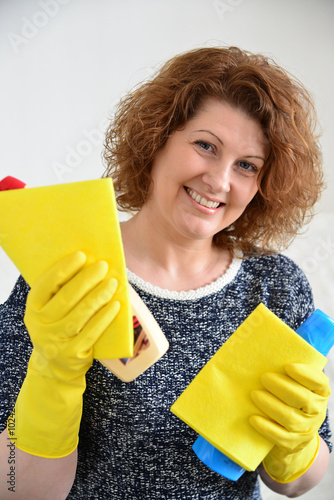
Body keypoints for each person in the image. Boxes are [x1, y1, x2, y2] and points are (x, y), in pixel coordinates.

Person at [0, 46, 332, 499]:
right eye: (205, 146)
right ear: (157, 139)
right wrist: (53, 371)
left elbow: (298, 484)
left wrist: (297, 444)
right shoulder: (70, 275)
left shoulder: (275, 285)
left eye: (247, 166)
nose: (219, 180)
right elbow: (18, 489)